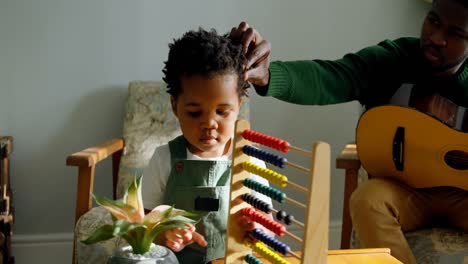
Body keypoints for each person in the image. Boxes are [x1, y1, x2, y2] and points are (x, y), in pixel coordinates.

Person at [229, 0, 468, 263]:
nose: (436, 37)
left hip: (462, 194)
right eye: (433, 21)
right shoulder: (395, 59)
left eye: (455, 33)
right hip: (406, 192)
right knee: (367, 199)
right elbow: (331, 77)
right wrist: (268, 75)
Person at [141, 28, 273, 264]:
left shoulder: (249, 159)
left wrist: (257, 230)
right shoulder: (164, 159)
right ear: (175, 105)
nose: (209, 124)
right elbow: (144, 223)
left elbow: (267, 224)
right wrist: (163, 234)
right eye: (194, 113)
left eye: (222, 112)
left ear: (238, 105)